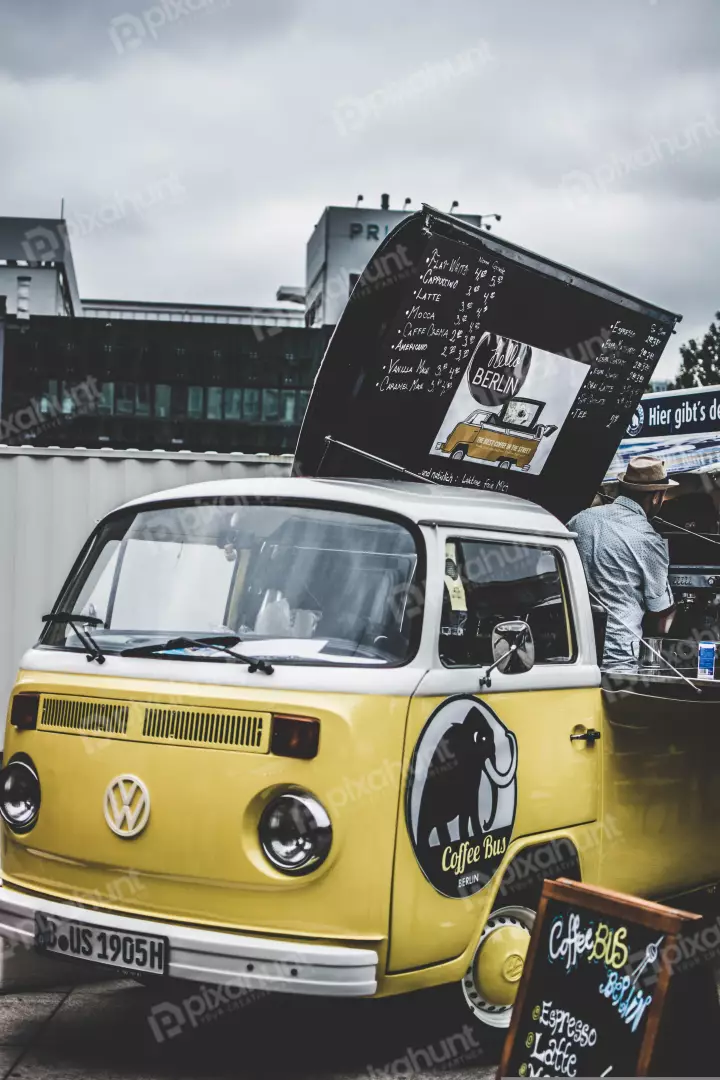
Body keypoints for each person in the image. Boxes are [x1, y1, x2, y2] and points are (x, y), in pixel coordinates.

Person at [568, 456, 678, 671]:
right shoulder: (648, 539)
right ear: (656, 497)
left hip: (572, 653)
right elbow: (660, 611)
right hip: (617, 655)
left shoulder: (580, 519)